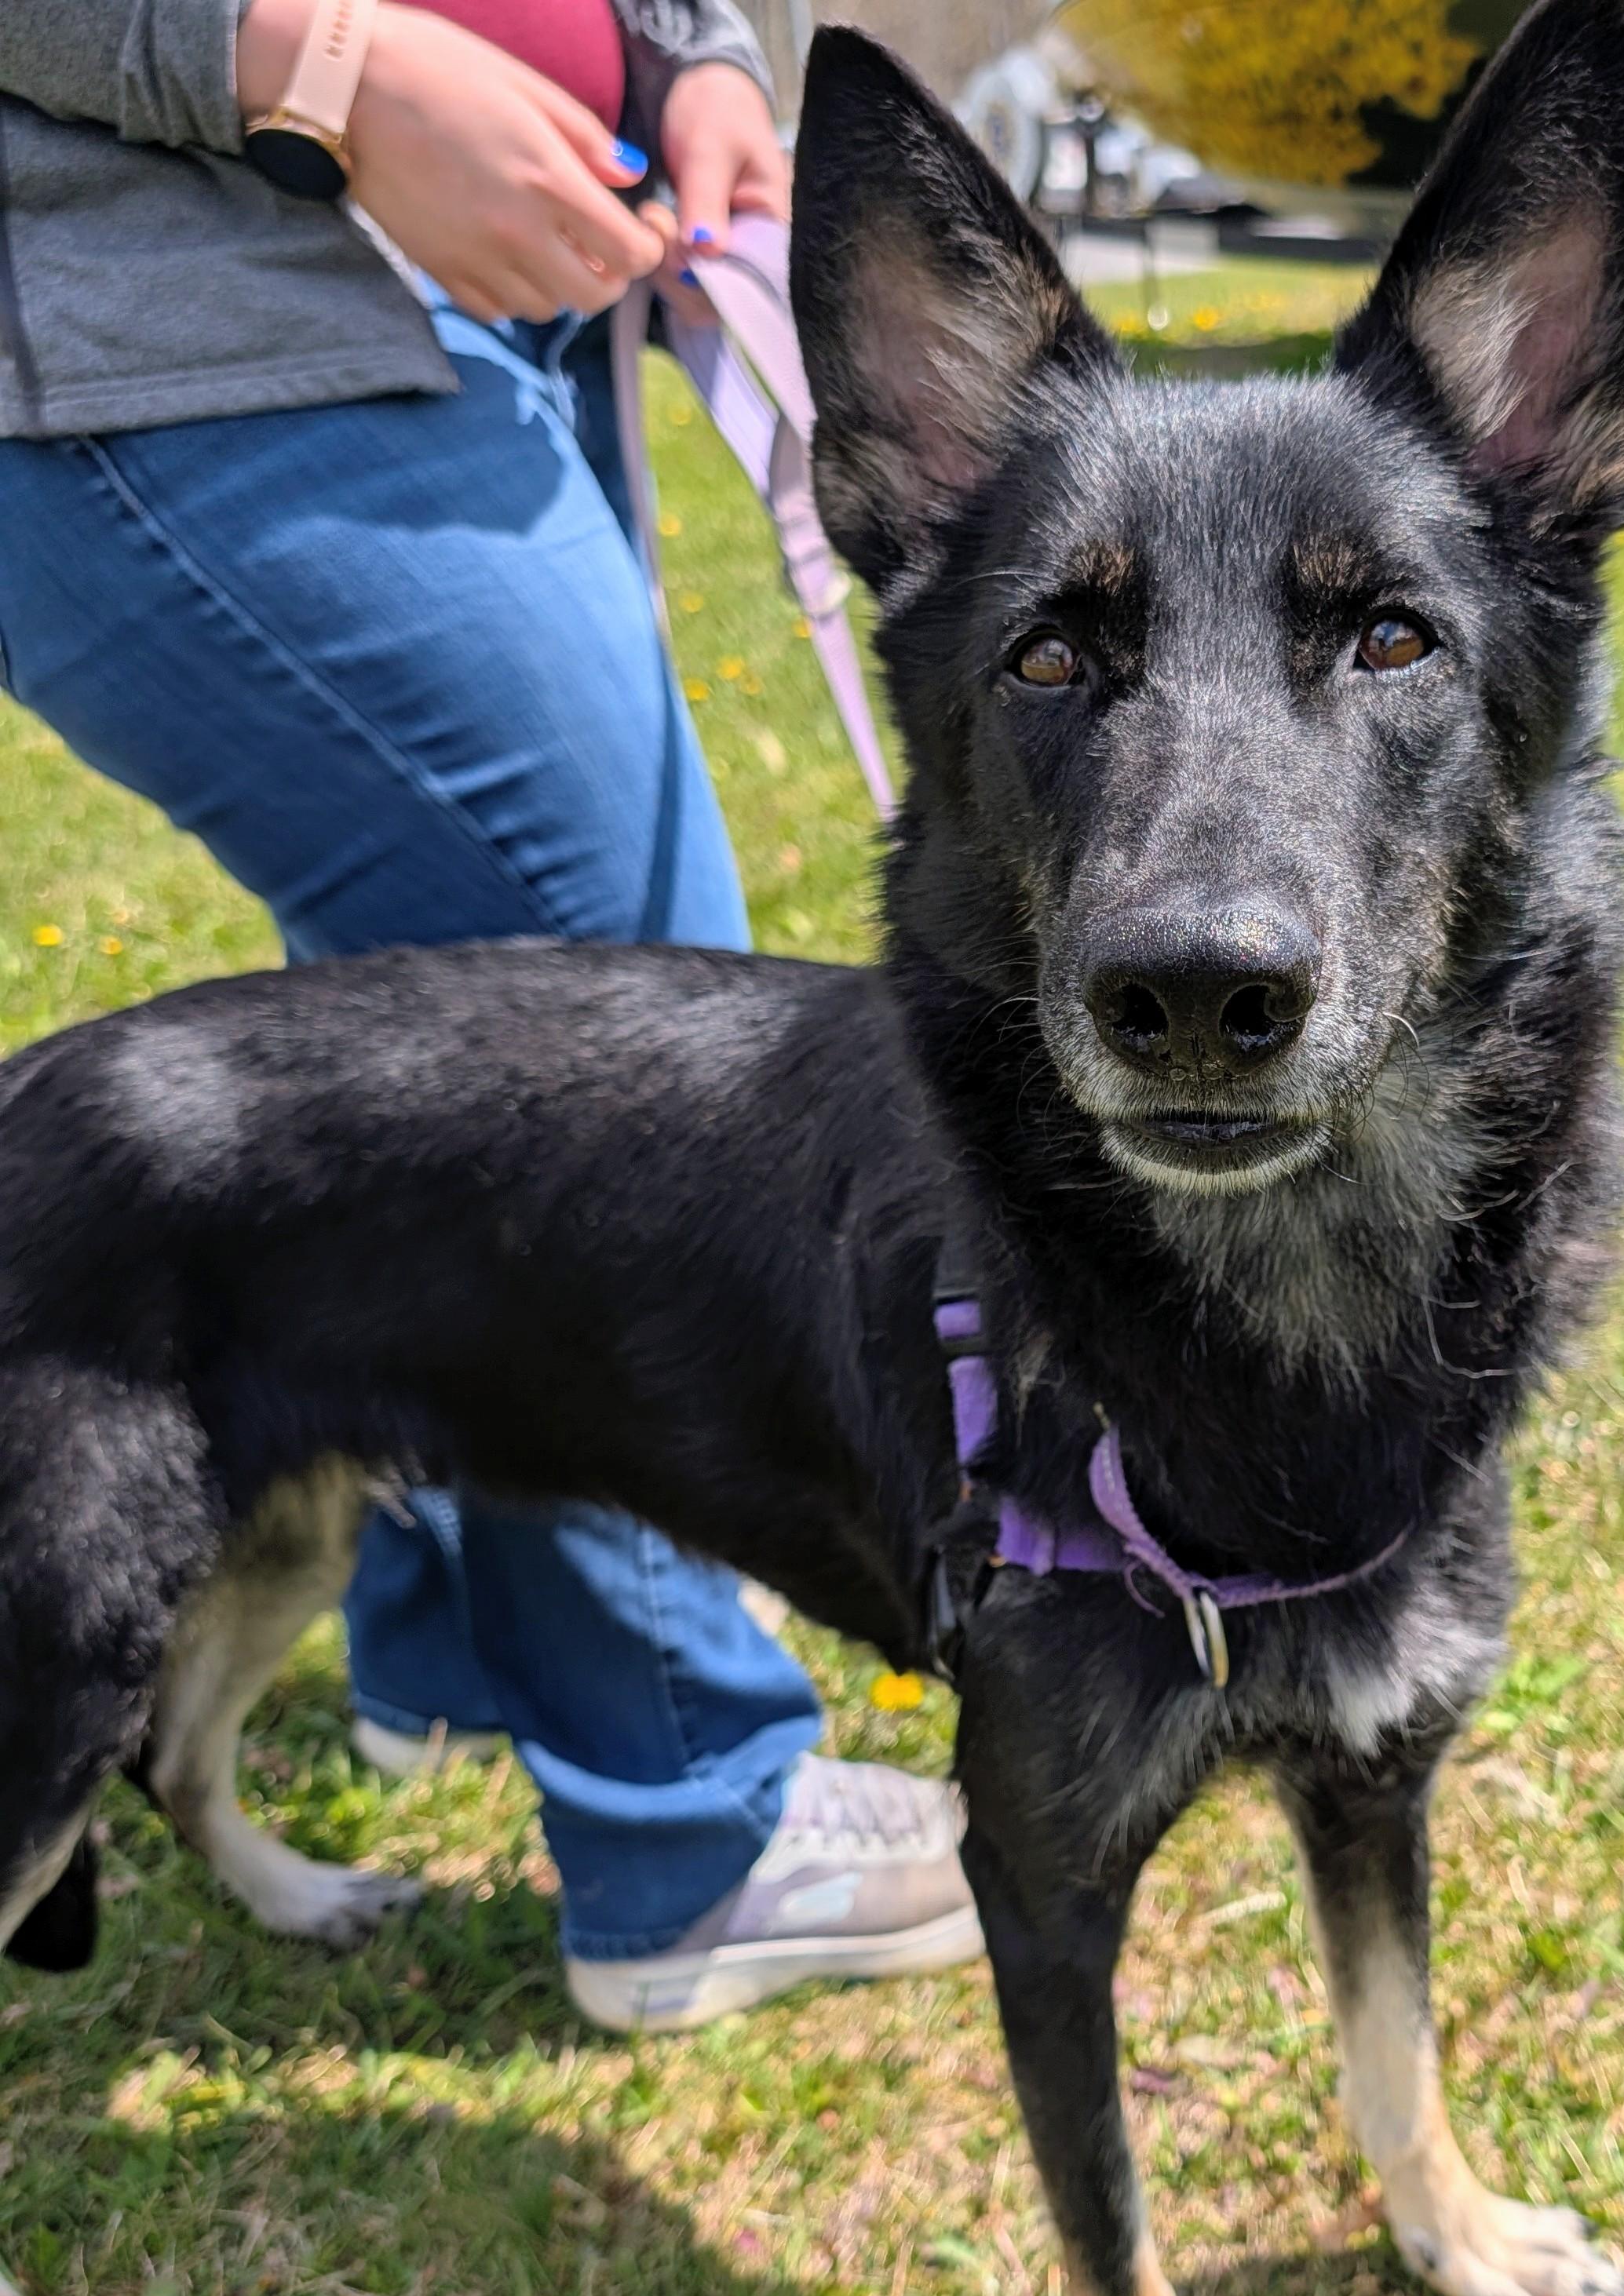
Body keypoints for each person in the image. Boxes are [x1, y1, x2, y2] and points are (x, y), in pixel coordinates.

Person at [0, 0, 980, 2033]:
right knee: (599, 1030)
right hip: (174, 271)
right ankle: (684, 1817)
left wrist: (691, 54)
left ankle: (437, 1664)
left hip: (518, 277)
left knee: (417, 1060)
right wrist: (311, 65)